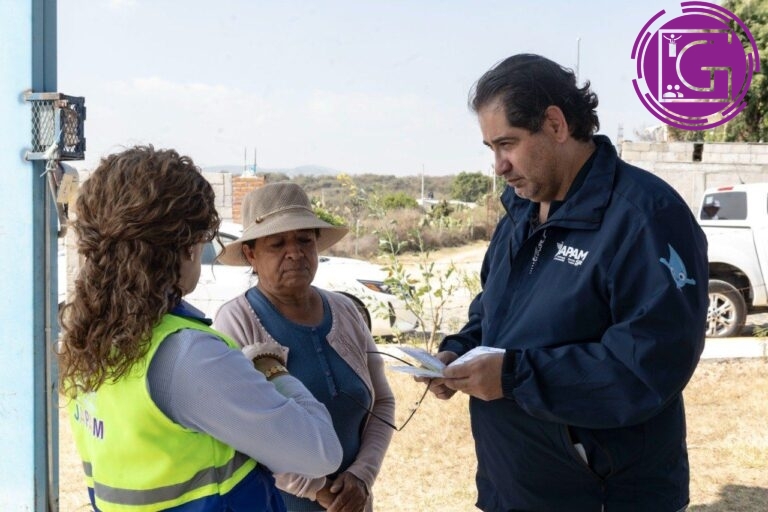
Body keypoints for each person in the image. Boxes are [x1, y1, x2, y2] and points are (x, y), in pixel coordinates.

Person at [424, 54, 709, 512]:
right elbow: (495, 311)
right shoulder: (520, 211)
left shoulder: (644, 217)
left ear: (555, 124)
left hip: (600, 491)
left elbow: (649, 364)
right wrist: (459, 350)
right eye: (490, 148)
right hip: (514, 482)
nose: (499, 165)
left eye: (508, 143)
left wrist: (514, 376)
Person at [57, 146, 343, 512]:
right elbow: (320, 452)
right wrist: (271, 369)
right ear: (186, 247)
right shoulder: (187, 356)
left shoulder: (91, 340)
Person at [214, 182, 395, 512]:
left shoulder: (345, 311)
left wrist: (361, 478)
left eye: (304, 240)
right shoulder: (236, 322)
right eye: (277, 243)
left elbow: (382, 402)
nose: (295, 252)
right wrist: (320, 490)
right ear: (251, 254)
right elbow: (243, 432)